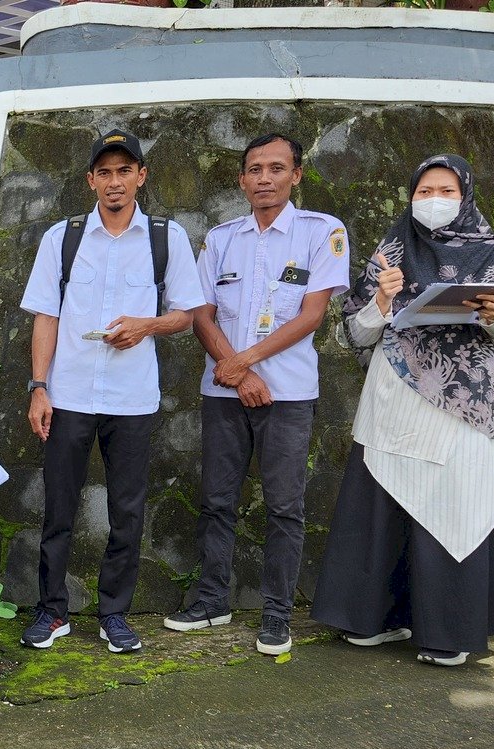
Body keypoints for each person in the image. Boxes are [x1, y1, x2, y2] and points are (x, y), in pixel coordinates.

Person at [311, 153, 494, 666]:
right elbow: (354, 334)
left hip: (466, 407)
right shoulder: (391, 250)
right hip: (395, 399)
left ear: (466, 195)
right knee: (381, 505)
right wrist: (381, 304)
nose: (433, 201)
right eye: (424, 191)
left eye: (445, 191)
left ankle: (447, 631)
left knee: (455, 503)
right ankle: (374, 619)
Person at [18, 129, 206, 652]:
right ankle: (52, 611)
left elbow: (186, 316)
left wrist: (146, 326)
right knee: (58, 509)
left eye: (125, 170)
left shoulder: (167, 238)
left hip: (131, 398)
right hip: (69, 395)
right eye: (105, 172)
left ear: (141, 176)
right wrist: (38, 387)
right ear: (90, 180)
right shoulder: (63, 238)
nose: (115, 181)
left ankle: (114, 614)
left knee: (127, 511)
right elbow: (45, 315)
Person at [164, 134, 350, 656]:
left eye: (276, 168)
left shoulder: (322, 232)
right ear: (242, 179)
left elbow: (312, 315)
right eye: (254, 169)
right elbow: (200, 314)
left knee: (284, 506)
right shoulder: (221, 238)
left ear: (296, 175)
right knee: (216, 501)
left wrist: (242, 361)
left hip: (287, 393)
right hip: (225, 391)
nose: (264, 178)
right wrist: (240, 373)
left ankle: (276, 613)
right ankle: (212, 600)